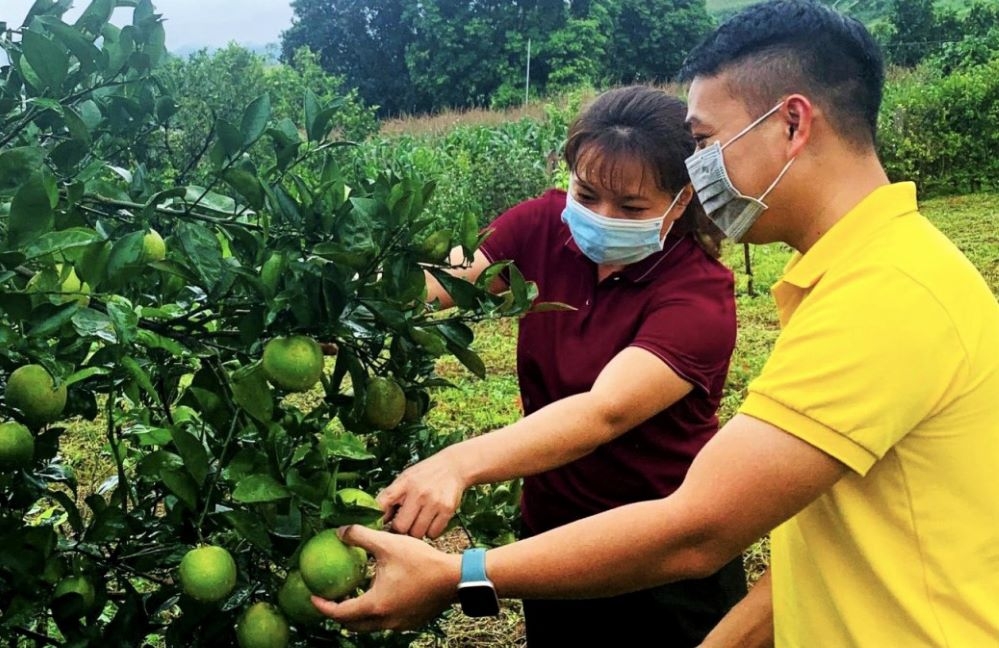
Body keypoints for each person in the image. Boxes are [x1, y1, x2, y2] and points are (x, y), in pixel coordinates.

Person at [313, 2, 999, 646]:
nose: (699, 171)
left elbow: (695, 529)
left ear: (792, 124)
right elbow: (823, 545)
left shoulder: (883, 296)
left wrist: (456, 573)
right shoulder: (858, 275)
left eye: (703, 142)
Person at [377, 85, 745, 645]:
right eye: (587, 192)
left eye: (631, 208)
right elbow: (442, 282)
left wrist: (457, 464)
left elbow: (605, 411)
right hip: (553, 541)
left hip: (660, 552)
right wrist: (344, 308)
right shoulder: (542, 226)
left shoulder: (698, 295)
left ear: (683, 199)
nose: (601, 216)